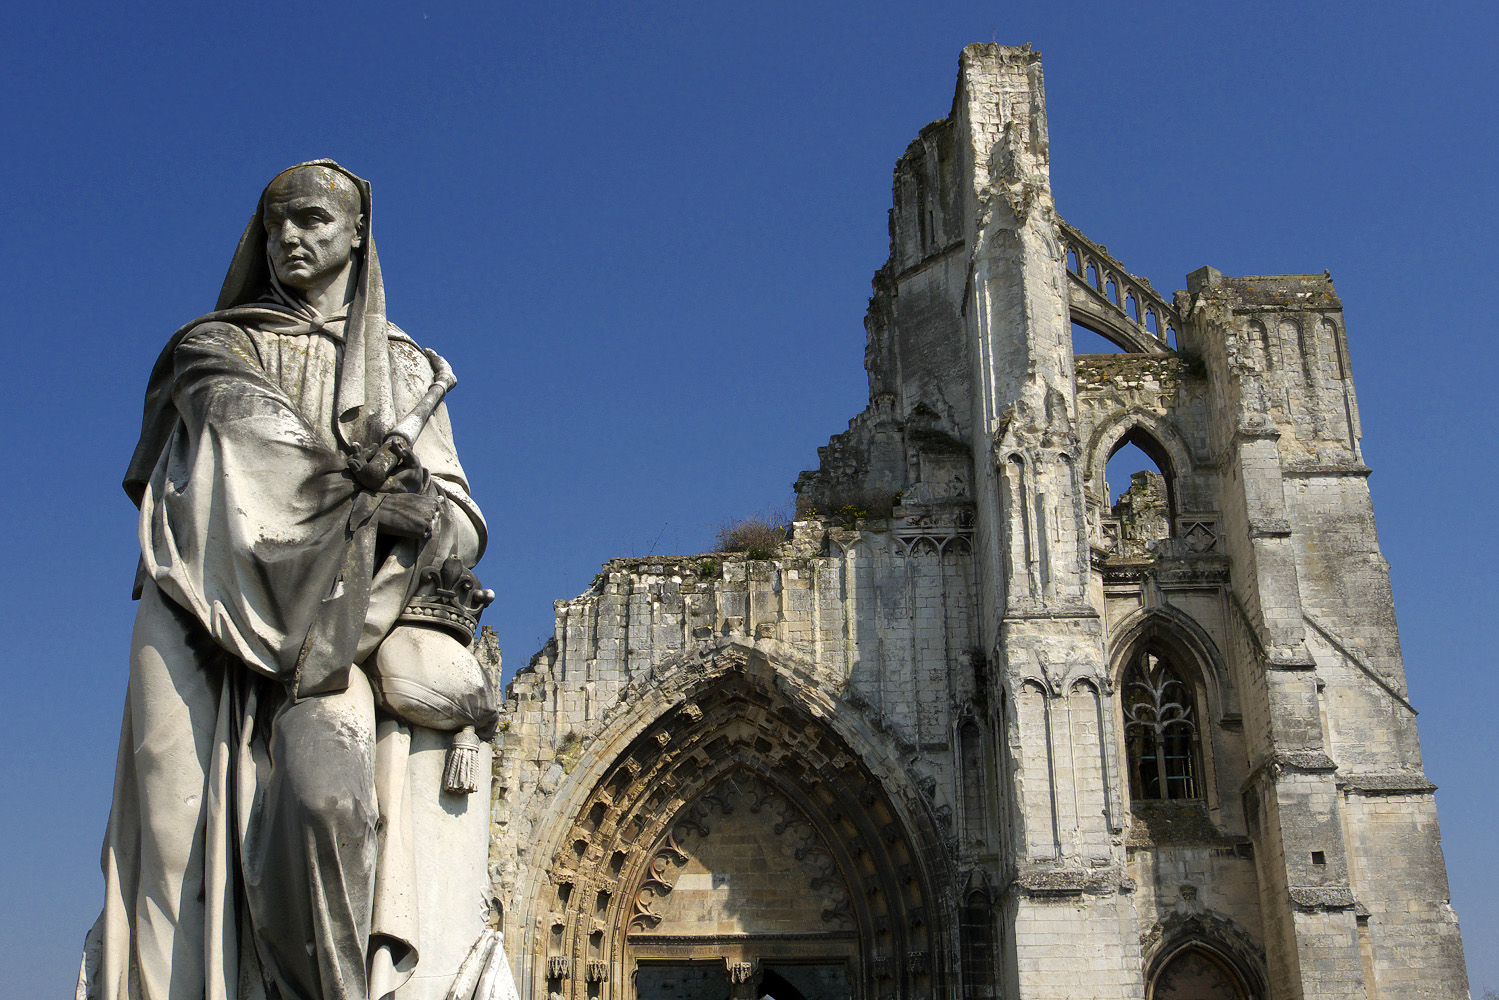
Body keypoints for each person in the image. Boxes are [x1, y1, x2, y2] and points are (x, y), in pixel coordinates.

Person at [79, 162, 488, 1000]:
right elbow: (248, 447)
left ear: (355, 236)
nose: (290, 238)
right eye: (274, 225)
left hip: (333, 635)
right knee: (173, 844)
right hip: (202, 605)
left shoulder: (407, 371)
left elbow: (460, 520)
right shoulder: (214, 345)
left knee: (325, 801)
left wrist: (418, 506)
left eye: (310, 220)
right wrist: (359, 495)